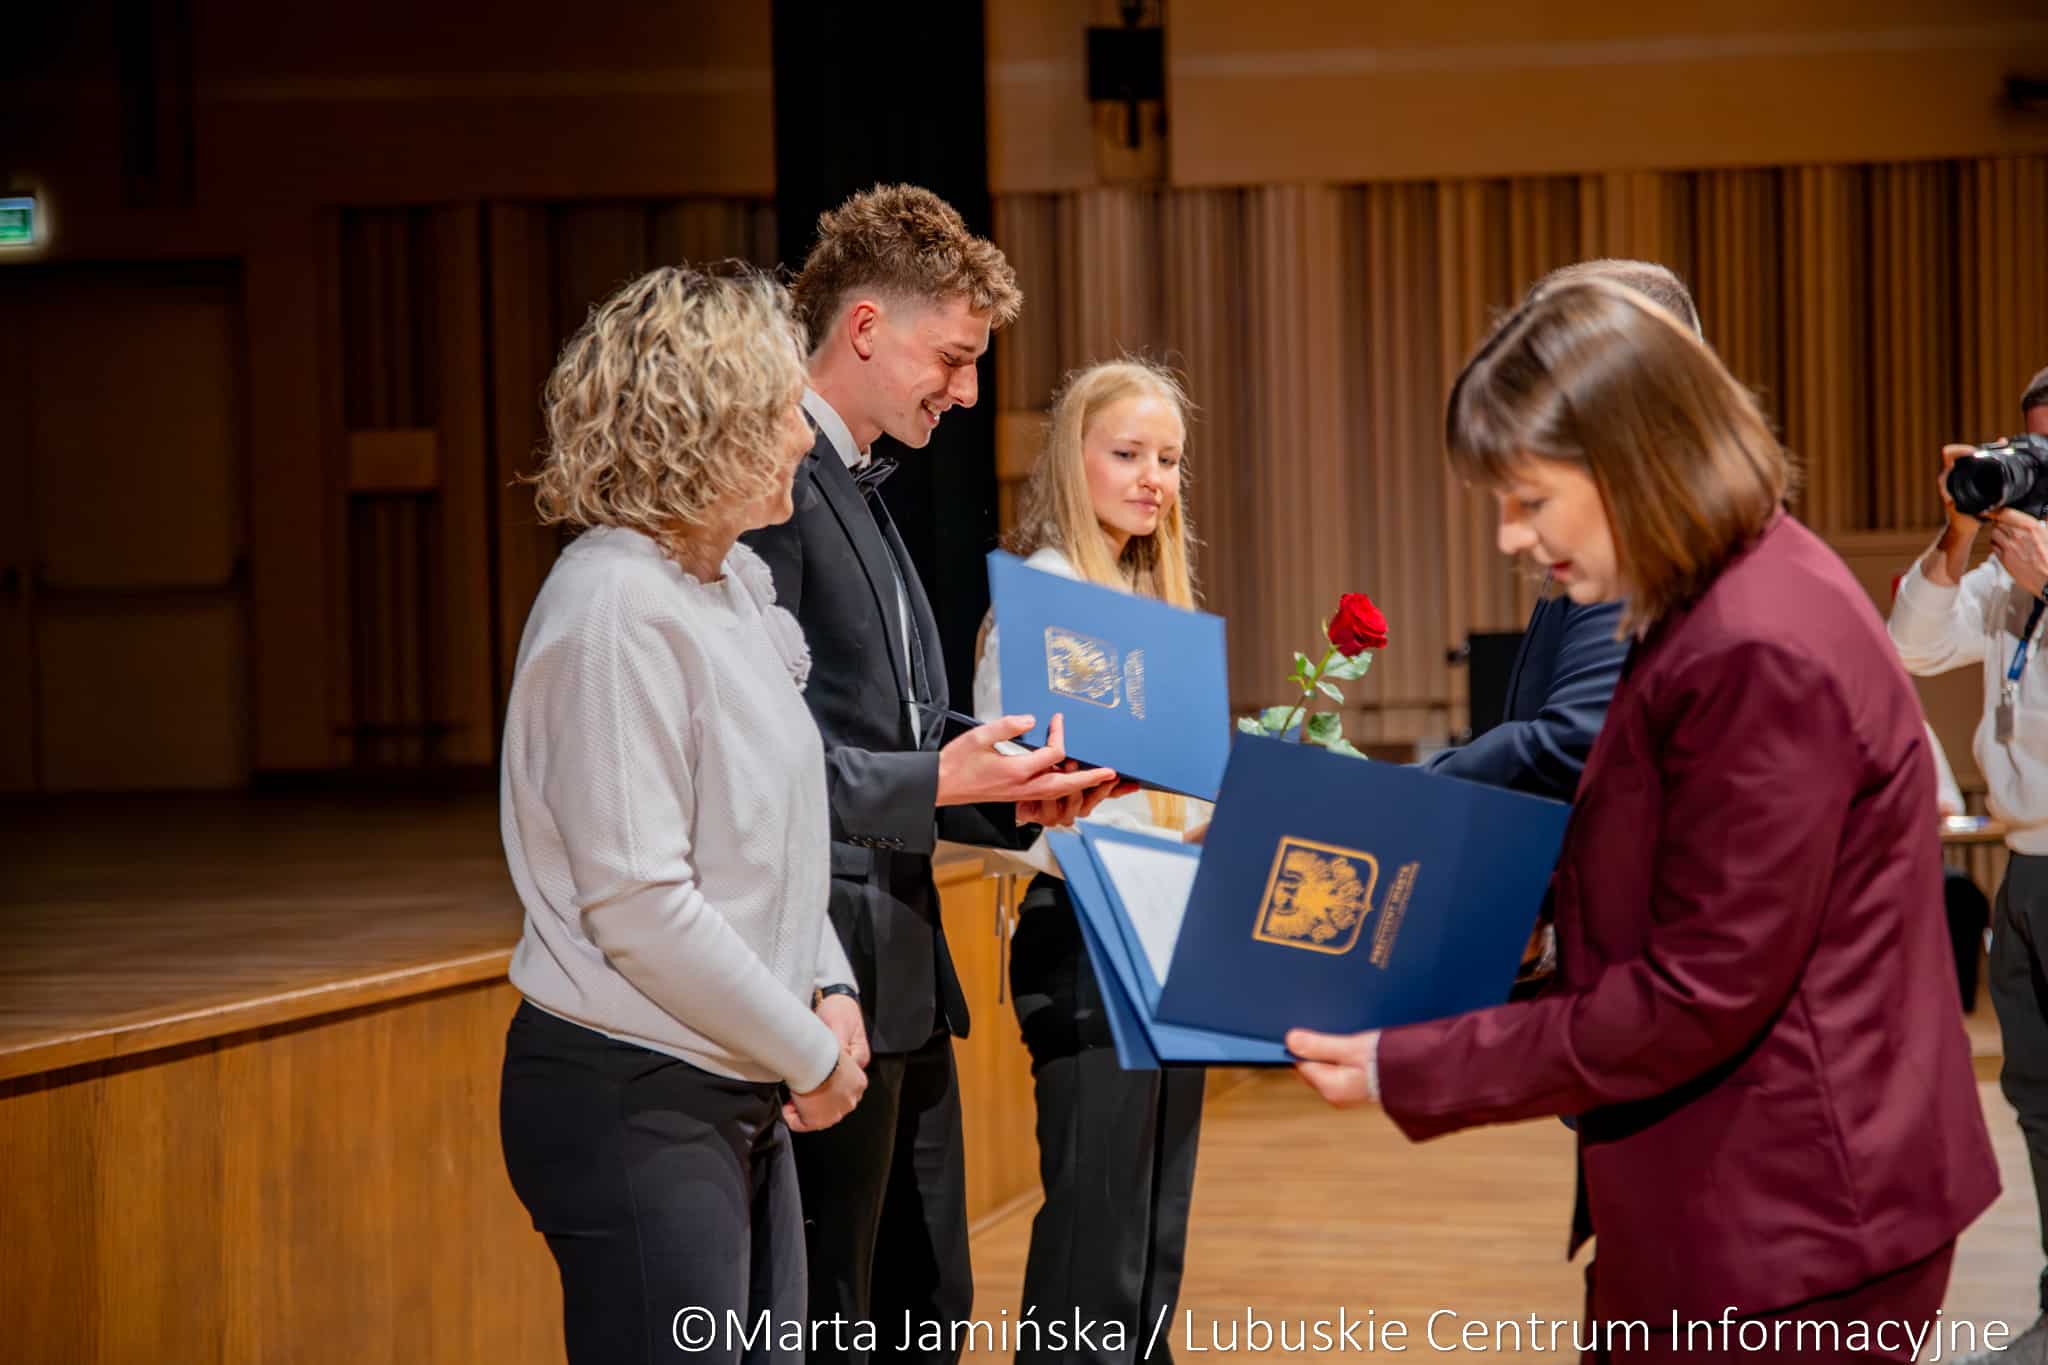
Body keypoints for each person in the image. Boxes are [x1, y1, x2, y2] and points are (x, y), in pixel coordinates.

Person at [1287, 279, 1999, 1362]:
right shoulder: (1721, 590)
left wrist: (1412, 1062)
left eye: (1527, 500)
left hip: (1789, 1220)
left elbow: (1698, 991)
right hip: (1746, 1191)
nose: (1508, 539)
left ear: (1630, 458)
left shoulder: (1754, 641)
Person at [742, 184, 1121, 1365]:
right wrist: (944, 778)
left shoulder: (856, 481)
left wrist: (1011, 785)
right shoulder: (768, 487)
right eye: (951, 358)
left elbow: (893, 720)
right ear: (864, 328)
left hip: (901, 974)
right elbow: (762, 751)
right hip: (825, 973)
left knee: (927, 1314)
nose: (963, 391)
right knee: (842, 1321)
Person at [497, 264, 869, 1365]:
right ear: (700, 427)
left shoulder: (725, 585)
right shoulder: (612, 608)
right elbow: (640, 903)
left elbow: (783, 831)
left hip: (731, 1073)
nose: (803, 437)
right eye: (775, 413)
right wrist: (807, 1049)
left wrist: (829, 979)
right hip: (635, 1094)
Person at [971, 359, 1208, 1364]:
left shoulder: (1149, 603)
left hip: (1166, 935)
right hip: (1088, 936)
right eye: (1127, 454)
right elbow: (1013, 785)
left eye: (1167, 459)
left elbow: (1177, 800)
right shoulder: (1043, 600)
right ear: (1073, 459)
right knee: (1092, 1250)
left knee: (1148, 1242)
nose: (1152, 478)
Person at [1889, 365, 2048, 1364]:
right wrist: (1958, 529)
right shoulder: (2000, 577)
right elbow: (1910, 646)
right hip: (2025, 869)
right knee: (2036, 1104)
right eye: (2026, 453)